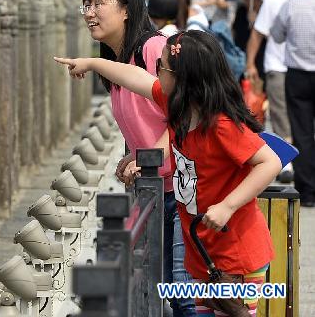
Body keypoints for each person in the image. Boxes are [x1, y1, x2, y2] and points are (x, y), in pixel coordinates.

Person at [55, 30, 281, 314]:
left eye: (161, 67)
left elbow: (269, 162)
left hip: (236, 253)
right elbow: (133, 77)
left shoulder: (221, 125)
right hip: (202, 252)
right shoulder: (179, 108)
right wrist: (92, 63)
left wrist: (228, 205)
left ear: (183, 79)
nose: (156, 71)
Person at [80, 0, 196, 316]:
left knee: (183, 292)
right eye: (86, 4)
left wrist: (152, 154)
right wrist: (133, 155)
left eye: (99, 3)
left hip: (185, 188)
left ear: (127, 9)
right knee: (159, 286)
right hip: (155, 189)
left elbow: (185, 112)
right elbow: (150, 120)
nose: (89, 12)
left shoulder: (154, 48)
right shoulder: (118, 64)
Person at [247, 0, 309, 144]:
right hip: (278, 66)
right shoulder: (275, 1)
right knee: (280, 112)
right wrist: (250, 64)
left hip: (304, 68)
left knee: (301, 114)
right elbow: (258, 33)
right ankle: (288, 162)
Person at [271, 0, 315, 207]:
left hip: (298, 74)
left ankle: (307, 192)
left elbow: (277, 36)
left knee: (302, 133)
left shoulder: (291, 5)